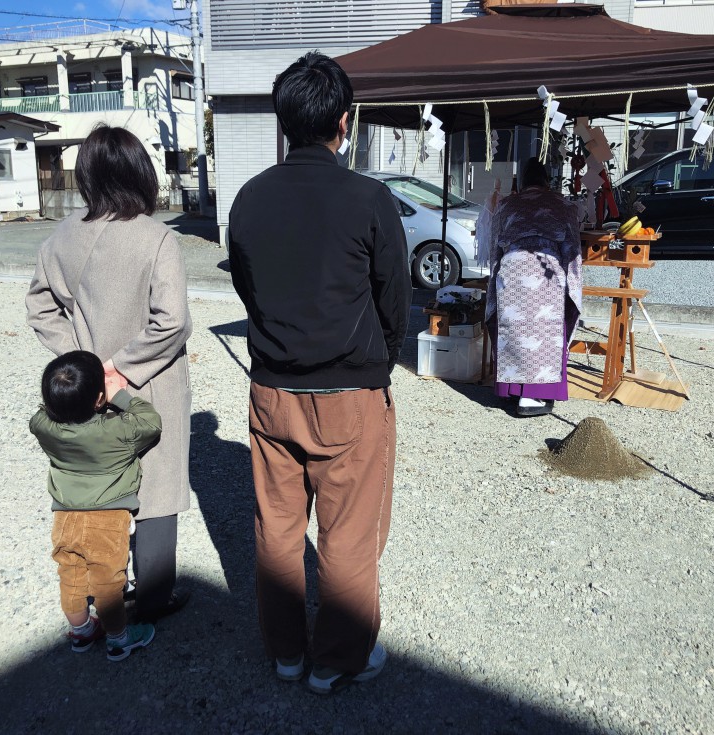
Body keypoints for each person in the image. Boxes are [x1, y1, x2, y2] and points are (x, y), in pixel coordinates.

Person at [228, 52, 412, 694]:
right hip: (348, 389)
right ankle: (336, 659)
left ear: (284, 124)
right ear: (344, 121)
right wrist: (379, 364)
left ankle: (285, 652)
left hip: (271, 387)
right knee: (348, 534)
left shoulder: (249, 198)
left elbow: (248, 289)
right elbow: (395, 300)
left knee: (277, 530)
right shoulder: (369, 198)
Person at [26, 125, 193, 622]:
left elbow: (40, 308)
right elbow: (173, 321)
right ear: (140, 172)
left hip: (86, 392)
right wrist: (120, 368)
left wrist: (84, 364)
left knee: (97, 482)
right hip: (149, 383)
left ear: (87, 176)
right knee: (157, 488)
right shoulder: (156, 237)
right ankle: (153, 599)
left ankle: (98, 587)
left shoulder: (60, 237)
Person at [30, 350, 161, 661]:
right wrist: (118, 395)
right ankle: (119, 638)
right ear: (99, 399)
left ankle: (82, 631)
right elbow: (150, 421)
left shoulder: (42, 427)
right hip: (107, 518)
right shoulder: (116, 431)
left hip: (65, 517)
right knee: (107, 582)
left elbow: (41, 414)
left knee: (71, 577)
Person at [483, 158, 583, 417]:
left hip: (512, 268)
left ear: (522, 183)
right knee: (545, 330)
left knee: (514, 329)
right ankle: (536, 396)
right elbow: (572, 247)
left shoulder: (506, 205)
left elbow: (495, 246)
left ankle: (512, 391)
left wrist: (495, 279)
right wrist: (572, 281)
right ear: (547, 181)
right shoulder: (563, 205)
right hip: (547, 271)